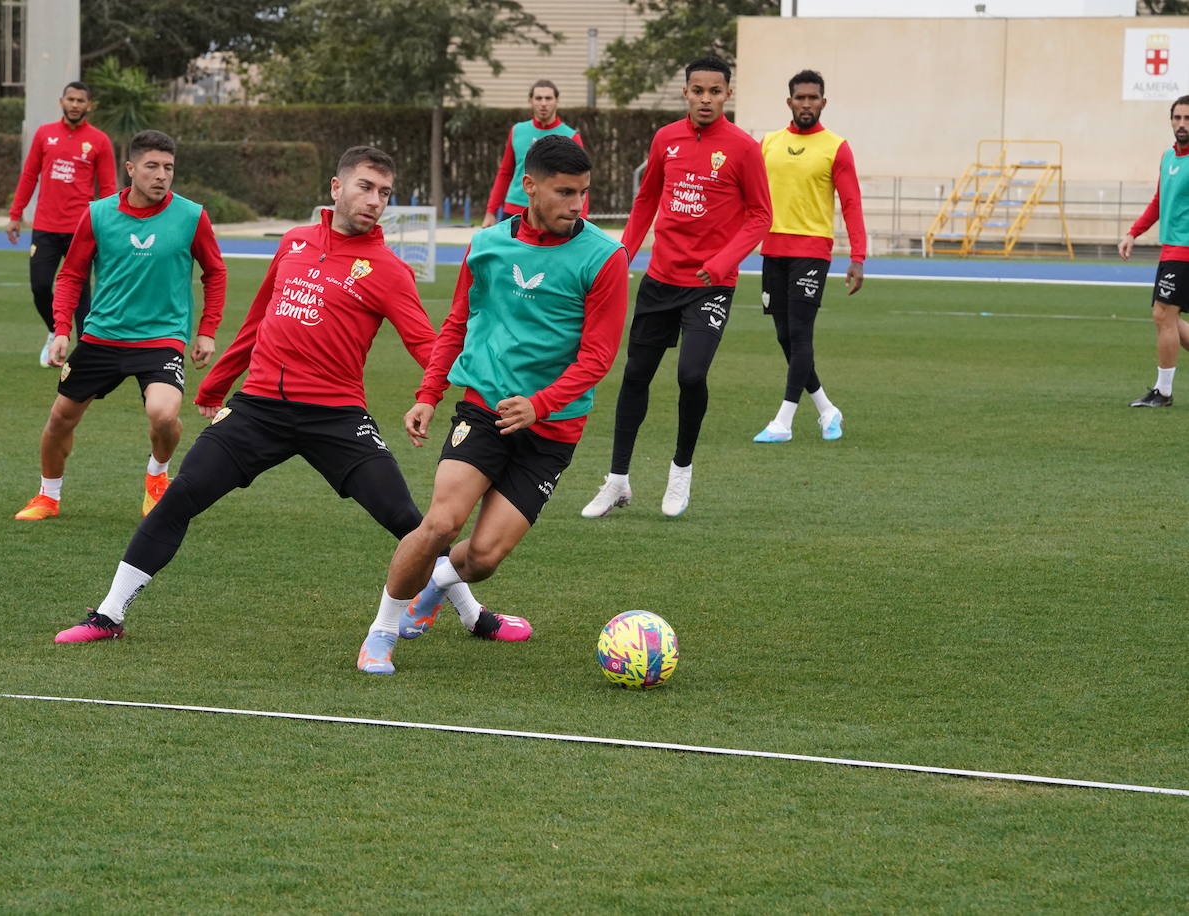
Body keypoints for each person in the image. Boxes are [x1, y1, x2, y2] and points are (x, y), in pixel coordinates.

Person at [49, 146, 493, 645]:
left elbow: (426, 343)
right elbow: (258, 319)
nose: (375, 201)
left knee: (407, 519)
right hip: (257, 409)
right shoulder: (294, 243)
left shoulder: (389, 269)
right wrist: (217, 383)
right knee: (180, 498)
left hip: (336, 416)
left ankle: (474, 614)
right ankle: (108, 616)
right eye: (365, 187)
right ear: (336, 187)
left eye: (384, 193)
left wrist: (473, 387)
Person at [359, 135, 629, 675]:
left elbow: (597, 357)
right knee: (440, 524)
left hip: (553, 428)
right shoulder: (486, 245)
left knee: (482, 559)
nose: (577, 205)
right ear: (529, 186)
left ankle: (437, 586)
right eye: (565, 192)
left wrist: (540, 405)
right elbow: (457, 323)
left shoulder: (605, 257)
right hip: (484, 409)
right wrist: (428, 394)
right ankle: (381, 632)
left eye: (583, 193)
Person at [580, 56, 771, 520]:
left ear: (727, 94)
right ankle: (617, 480)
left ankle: (680, 470)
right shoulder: (665, 138)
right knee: (635, 375)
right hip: (660, 280)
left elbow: (761, 215)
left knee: (690, 375)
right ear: (685, 92)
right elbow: (647, 198)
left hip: (710, 286)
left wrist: (723, 261)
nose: (706, 99)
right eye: (697, 90)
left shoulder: (744, 148)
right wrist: (623, 253)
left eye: (715, 91)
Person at [13, 130, 226, 523]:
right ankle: (48, 496)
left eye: (168, 168)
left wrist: (207, 330)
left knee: (163, 414)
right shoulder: (98, 214)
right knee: (60, 419)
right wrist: (62, 330)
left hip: (161, 338)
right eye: (152, 166)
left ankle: (157, 477)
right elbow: (71, 275)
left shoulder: (191, 216)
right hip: (102, 336)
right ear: (130, 169)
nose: (161, 175)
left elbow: (215, 272)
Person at [752, 69, 865, 443]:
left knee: (800, 335)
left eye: (812, 98)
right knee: (785, 337)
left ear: (823, 102)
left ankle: (783, 421)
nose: (806, 104)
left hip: (812, 252)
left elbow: (851, 203)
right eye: (800, 98)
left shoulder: (836, 147)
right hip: (772, 250)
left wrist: (858, 256)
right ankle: (827, 409)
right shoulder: (768, 144)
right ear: (789, 102)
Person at [6, 81, 117, 366]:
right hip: (45, 226)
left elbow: (107, 188)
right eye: (71, 99)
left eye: (81, 100)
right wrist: (16, 214)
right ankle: (55, 331)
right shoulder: (45, 134)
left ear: (89, 105)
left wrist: (109, 226)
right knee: (40, 286)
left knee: (80, 292)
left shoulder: (99, 141)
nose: (75, 105)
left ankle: (84, 353)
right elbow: (29, 175)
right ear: (61, 102)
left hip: (81, 229)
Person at [1120, 94, 1189, 408]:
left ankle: (1163, 392)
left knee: (1163, 315)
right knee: (1170, 320)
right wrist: (1133, 232)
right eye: (1177, 118)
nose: (1182, 124)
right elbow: (1159, 202)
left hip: (1185, 252)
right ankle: (1163, 391)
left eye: (1187, 119)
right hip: (1170, 250)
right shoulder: (1168, 157)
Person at [481, 79, 587, 228]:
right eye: (538, 98)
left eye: (548, 98)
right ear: (530, 101)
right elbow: (505, 173)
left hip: (551, 211)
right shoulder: (517, 131)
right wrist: (491, 211)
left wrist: (582, 220)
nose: (543, 103)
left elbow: (581, 182)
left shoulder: (571, 136)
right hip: (514, 210)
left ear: (557, 101)